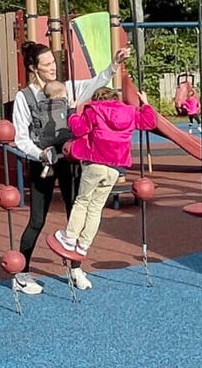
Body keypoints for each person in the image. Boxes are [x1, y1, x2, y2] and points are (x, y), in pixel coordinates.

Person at [7, 41, 130, 295]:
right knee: (37, 219)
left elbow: (95, 83)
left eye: (54, 62)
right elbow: (20, 137)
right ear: (33, 68)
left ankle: (75, 268)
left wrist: (114, 65)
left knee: (77, 212)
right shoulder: (24, 97)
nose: (53, 68)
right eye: (47, 64)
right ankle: (21, 273)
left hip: (71, 159)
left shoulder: (67, 88)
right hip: (43, 160)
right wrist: (40, 153)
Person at [52, 87, 157, 290]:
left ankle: (70, 237)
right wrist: (145, 103)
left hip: (96, 163)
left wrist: (73, 111)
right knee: (96, 208)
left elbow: (78, 129)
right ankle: (84, 244)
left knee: (82, 201)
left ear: (98, 99)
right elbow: (148, 122)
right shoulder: (128, 112)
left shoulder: (94, 110)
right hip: (114, 168)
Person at [32, 78, 73, 178]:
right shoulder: (64, 105)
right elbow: (71, 120)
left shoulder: (40, 107)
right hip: (63, 138)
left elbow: (36, 124)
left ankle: (47, 164)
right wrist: (72, 109)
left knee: (47, 149)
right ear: (59, 95)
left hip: (46, 140)